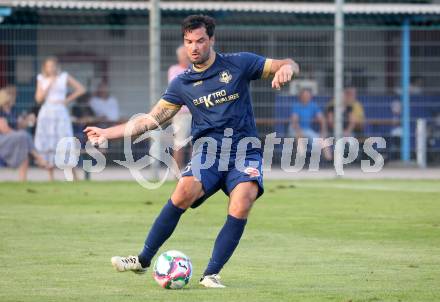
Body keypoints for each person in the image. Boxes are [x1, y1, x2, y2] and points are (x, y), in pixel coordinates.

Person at [84, 15, 299, 288]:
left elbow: (289, 63)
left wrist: (287, 69)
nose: (194, 47)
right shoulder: (181, 83)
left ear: (211, 40)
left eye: (199, 41)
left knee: (243, 198)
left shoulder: (239, 63)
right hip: (208, 154)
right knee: (184, 190)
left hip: (245, 152)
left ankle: (211, 274)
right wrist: (106, 132)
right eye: (188, 42)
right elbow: (149, 121)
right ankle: (143, 259)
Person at [34, 56, 86, 181]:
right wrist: (49, 84)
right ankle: (50, 175)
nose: (51, 68)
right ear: (45, 68)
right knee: (48, 141)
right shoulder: (41, 79)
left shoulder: (64, 77)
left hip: (60, 112)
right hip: (47, 113)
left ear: (57, 66)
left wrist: (67, 100)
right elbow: (38, 99)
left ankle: (73, 175)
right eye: (48, 66)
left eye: (53, 66)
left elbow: (81, 89)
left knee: (65, 140)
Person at [0, 87, 48, 181]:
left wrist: (29, 120)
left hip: (12, 139)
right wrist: (20, 135)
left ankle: (23, 180)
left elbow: (20, 125)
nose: (14, 98)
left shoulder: (13, 110)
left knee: (24, 146)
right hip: (2, 140)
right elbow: (5, 129)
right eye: (12, 96)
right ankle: (39, 158)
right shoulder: (1, 111)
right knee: (23, 136)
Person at [289, 88, 331, 160]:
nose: (306, 97)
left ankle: (330, 161)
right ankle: (301, 161)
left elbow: (322, 119)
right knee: (300, 138)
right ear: (300, 97)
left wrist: (322, 132)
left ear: (310, 97)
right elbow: (294, 122)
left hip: (307, 130)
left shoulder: (313, 105)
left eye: (308, 96)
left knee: (323, 139)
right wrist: (299, 132)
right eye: (304, 96)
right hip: (295, 129)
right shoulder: (296, 106)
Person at [169, 45, 192, 169]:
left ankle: (195, 171)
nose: (187, 56)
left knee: (197, 143)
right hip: (181, 113)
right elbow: (179, 88)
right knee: (179, 144)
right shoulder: (174, 69)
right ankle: (177, 171)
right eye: (184, 54)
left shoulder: (195, 68)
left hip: (196, 112)